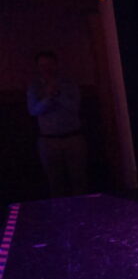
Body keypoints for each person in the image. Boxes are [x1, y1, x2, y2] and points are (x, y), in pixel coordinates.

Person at [26, 50, 88, 197]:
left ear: (56, 65)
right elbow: (33, 111)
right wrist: (48, 98)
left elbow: (74, 107)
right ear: (38, 67)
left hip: (73, 138)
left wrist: (57, 95)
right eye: (42, 65)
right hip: (48, 141)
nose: (46, 68)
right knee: (55, 182)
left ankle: (83, 208)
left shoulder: (69, 84)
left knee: (79, 179)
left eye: (49, 64)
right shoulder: (34, 87)